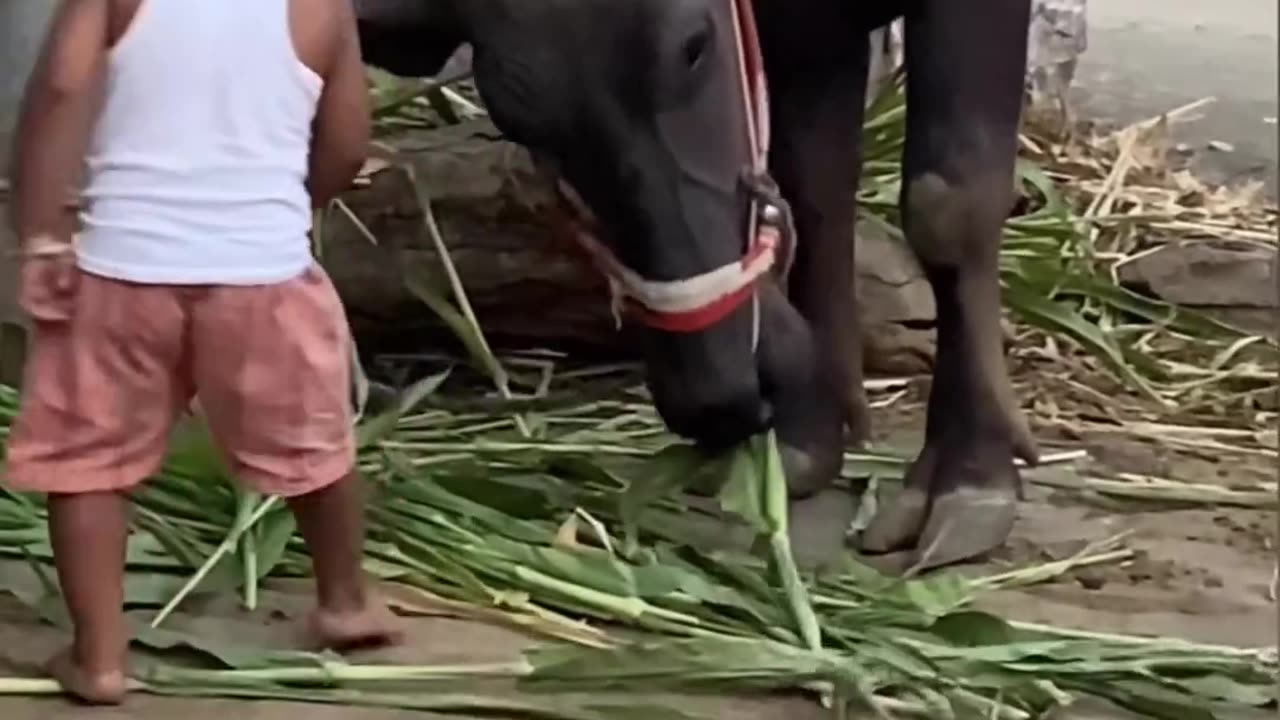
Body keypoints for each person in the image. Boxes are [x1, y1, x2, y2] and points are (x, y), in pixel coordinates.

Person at [5, 0, 402, 705]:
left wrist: (38, 233)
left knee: (89, 463)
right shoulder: (321, 6)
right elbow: (345, 141)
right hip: (264, 278)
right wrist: (283, 204)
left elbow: (63, 88)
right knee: (316, 442)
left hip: (121, 270)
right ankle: (345, 599)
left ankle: (99, 658)